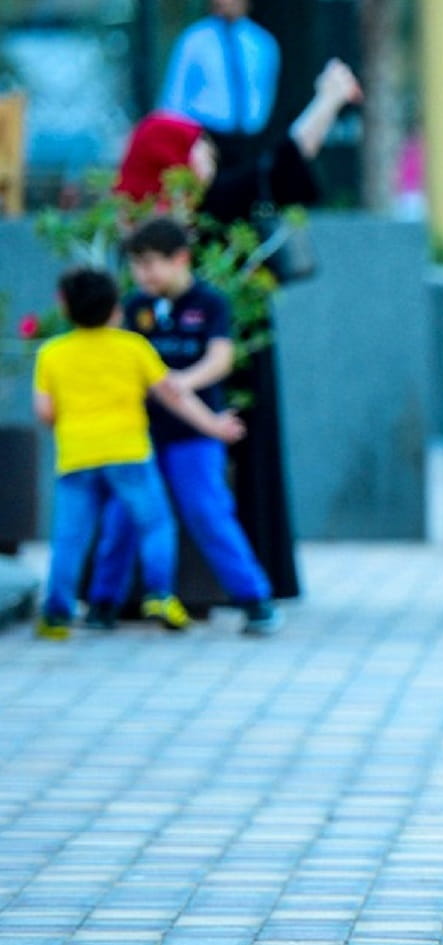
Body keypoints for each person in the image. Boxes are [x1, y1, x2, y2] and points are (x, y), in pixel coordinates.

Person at [116, 58, 364, 600]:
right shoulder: (194, 210)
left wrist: (328, 100)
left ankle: (195, 584)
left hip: (204, 364)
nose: (209, 157)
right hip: (197, 368)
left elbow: (286, 161)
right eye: (198, 150)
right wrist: (328, 97)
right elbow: (286, 158)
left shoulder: (182, 211)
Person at [87, 217, 282, 633]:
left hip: (194, 434)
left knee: (207, 512)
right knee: (122, 515)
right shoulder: (135, 306)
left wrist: (182, 382)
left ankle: (254, 600)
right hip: (139, 436)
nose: (143, 274)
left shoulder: (210, 303)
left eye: (150, 264)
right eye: (136, 265)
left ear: (180, 259)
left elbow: (220, 359)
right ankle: (102, 603)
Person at [31, 267, 245, 639]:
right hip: (129, 454)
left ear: (65, 309)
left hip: (76, 458)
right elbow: (172, 395)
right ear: (116, 309)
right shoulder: (133, 347)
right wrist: (214, 426)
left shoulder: (51, 353)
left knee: (69, 538)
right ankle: (159, 595)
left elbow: (45, 412)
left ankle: (56, 615)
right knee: (156, 525)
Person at [157, 0, 280, 164]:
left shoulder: (262, 43)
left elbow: (265, 91)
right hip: (204, 139)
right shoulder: (194, 41)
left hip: (249, 141)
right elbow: (174, 99)